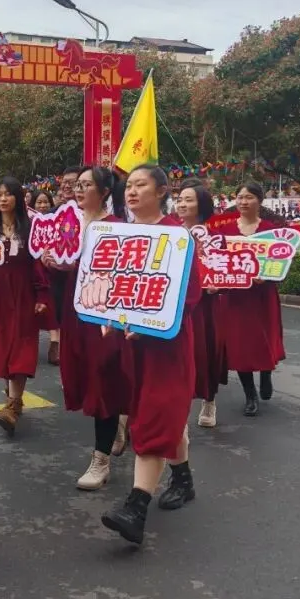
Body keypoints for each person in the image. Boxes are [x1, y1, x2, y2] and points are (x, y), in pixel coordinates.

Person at [100, 164, 202, 545]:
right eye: (129, 185)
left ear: (162, 191)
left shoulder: (178, 237)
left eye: (141, 184)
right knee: (160, 415)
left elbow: (191, 293)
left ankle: (136, 507)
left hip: (167, 346)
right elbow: (109, 284)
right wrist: (106, 313)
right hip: (131, 347)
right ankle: (183, 478)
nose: (132, 191)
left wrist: (150, 320)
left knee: (154, 417)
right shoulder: (121, 236)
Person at [43, 165, 130, 491]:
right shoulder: (67, 224)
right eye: (76, 185)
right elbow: (62, 265)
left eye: (86, 185)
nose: (77, 190)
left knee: (104, 377)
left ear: (104, 191)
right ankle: (118, 420)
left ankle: (100, 459)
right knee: (88, 378)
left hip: (106, 316)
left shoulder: (117, 228)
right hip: (75, 312)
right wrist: (56, 264)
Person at [0, 177, 49, 435]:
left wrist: (42, 296)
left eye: (8, 194)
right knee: (2, 345)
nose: (2, 199)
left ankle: (12, 404)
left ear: (17, 198)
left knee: (21, 345)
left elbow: (38, 264)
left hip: (23, 293)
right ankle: (14, 398)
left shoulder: (30, 228)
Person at [215, 182, 286, 416]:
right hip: (235, 297)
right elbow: (217, 260)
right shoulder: (225, 229)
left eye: (249, 197)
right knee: (240, 345)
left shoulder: (270, 230)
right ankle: (250, 395)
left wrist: (266, 277)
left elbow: (282, 262)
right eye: (240, 197)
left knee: (264, 340)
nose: (244, 202)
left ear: (260, 201)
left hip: (262, 296)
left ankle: (266, 373)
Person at [176, 178, 227, 428]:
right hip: (176, 305)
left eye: (188, 200)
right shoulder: (170, 232)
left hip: (205, 306)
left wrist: (218, 284)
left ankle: (209, 400)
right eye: (179, 199)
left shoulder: (215, 237)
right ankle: (178, 406)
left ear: (202, 204)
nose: (182, 204)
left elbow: (227, 271)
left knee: (205, 352)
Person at [30, 188, 61, 365]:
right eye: (39, 202)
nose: (42, 206)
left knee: (53, 307)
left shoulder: (58, 222)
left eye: (46, 202)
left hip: (52, 269)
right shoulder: (27, 223)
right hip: (33, 270)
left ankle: (55, 344)